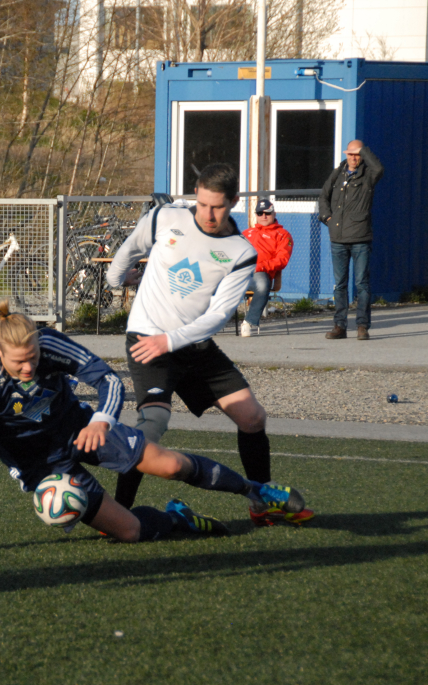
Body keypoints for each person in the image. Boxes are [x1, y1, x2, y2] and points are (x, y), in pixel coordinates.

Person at [0, 300, 308, 545]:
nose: (29, 367)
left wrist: (101, 420)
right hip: (42, 466)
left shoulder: (50, 344)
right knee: (130, 532)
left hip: (82, 430)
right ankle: (177, 518)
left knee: (171, 465)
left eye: (33, 357)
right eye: (19, 362)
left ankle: (257, 491)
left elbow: (108, 380)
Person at [105, 163, 314, 527]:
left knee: (252, 417)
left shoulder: (241, 251)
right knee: (151, 426)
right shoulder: (165, 217)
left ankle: (262, 502)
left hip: (193, 346)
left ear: (233, 201)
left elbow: (218, 316)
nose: (207, 214)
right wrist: (116, 279)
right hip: (146, 338)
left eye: (217, 207)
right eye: (202, 204)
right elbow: (130, 249)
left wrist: (171, 340)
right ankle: (117, 514)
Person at [318, 140, 384, 341]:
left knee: (362, 284)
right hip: (337, 238)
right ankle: (340, 326)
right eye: (350, 154)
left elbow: (379, 168)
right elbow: (323, 196)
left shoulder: (368, 175)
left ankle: (362, 326)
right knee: (340, 285)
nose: (354, 158)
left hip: (360, 238)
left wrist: (363, 149)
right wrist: (327, 218)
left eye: (357, 154)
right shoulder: (338, 173)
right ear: (345, 154)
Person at [240, 199, 294, 337]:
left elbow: (282, 260)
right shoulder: (246, 233)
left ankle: (248, 323)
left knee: (263, 285)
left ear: (274, 214)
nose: (263, 216)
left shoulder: (283, 235)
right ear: (256, 215)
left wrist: (259, 267)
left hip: (260, 274)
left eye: (267, 213)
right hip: (239, 273)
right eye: (260, 213)